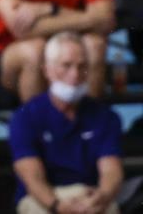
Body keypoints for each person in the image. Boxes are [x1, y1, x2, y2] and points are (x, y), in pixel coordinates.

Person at [9, 32, 122, 214]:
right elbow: (31, 176)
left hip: (88, 194)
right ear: (47, 70)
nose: (75, 74)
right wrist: (57, 205)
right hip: (43, 199)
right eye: (66, 66)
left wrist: (103, 195)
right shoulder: (25, 116)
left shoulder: (106, 116)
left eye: (82, 66)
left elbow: (111, 170)